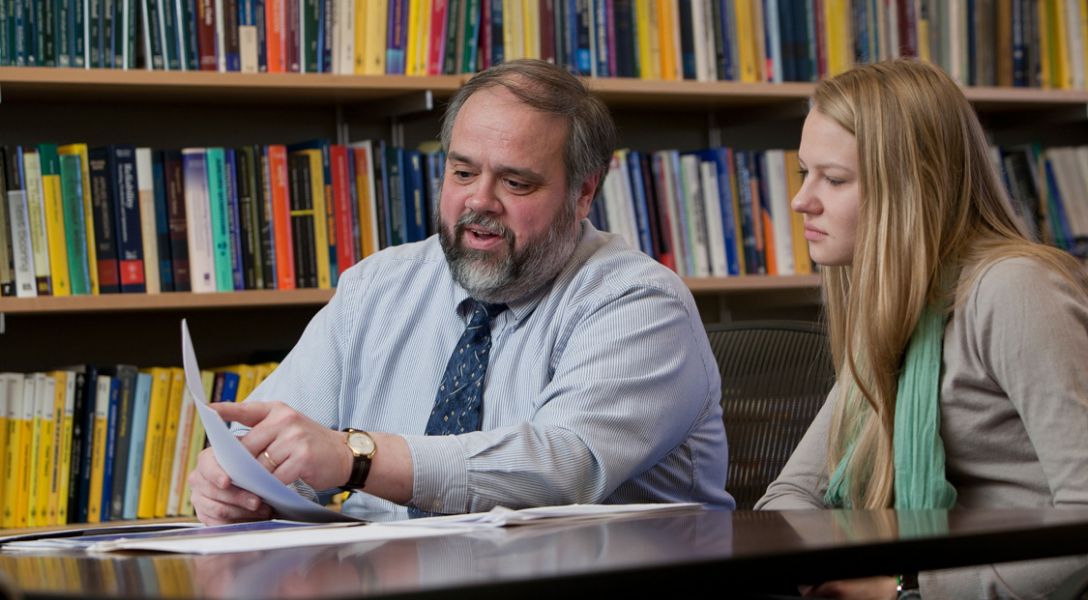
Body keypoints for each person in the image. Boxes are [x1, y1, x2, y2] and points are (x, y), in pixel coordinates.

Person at [188, 59, 734, 524]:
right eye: (462, 172)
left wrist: (356, 457)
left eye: (516, 182)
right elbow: (271, 434)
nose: (480, 201)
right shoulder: (378, 287)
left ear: (584, 190)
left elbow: (563, 469)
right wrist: (240, 483)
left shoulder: (637, 303)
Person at [756, 59, 1088, 599]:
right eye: (803, 173)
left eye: (834, 179)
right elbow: (789, 498)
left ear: (913, 188)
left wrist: (904, 591)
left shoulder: (1014, 290)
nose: (801, 200)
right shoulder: (899, 303)